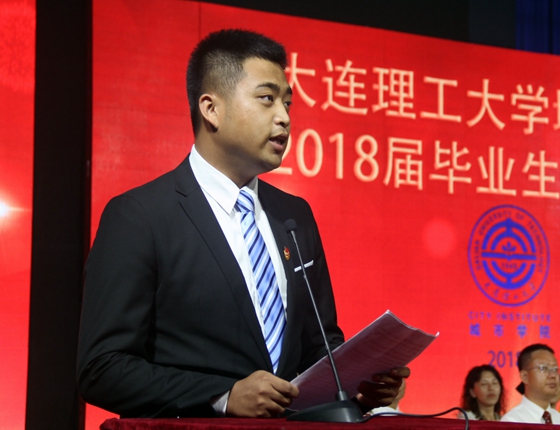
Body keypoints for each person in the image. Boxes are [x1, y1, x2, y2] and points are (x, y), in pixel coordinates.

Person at [76, 29, 408, 419]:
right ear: (211, 109)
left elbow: (319, 348)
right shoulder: (139, 216)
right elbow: (102, 368)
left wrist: (359, 385)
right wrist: (223, 397)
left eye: (287, 102)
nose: (284, 117)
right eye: (267, 99)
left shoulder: (294, 215)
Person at [501, 344, 560, 425]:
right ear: (525, 376)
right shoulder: (511, 422)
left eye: (555, 369)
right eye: (543, 368)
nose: (553, 375)